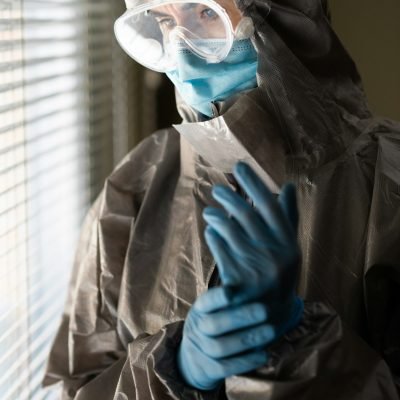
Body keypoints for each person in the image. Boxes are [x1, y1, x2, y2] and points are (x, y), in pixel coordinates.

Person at [43, 0, 400, 398]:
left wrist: (297, 348)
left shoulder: (389, 181)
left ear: (284, 16)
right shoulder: (137, 183)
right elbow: (80, 385)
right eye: (164, 20)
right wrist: (175, 369)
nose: (181, 48)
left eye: (206, 13)